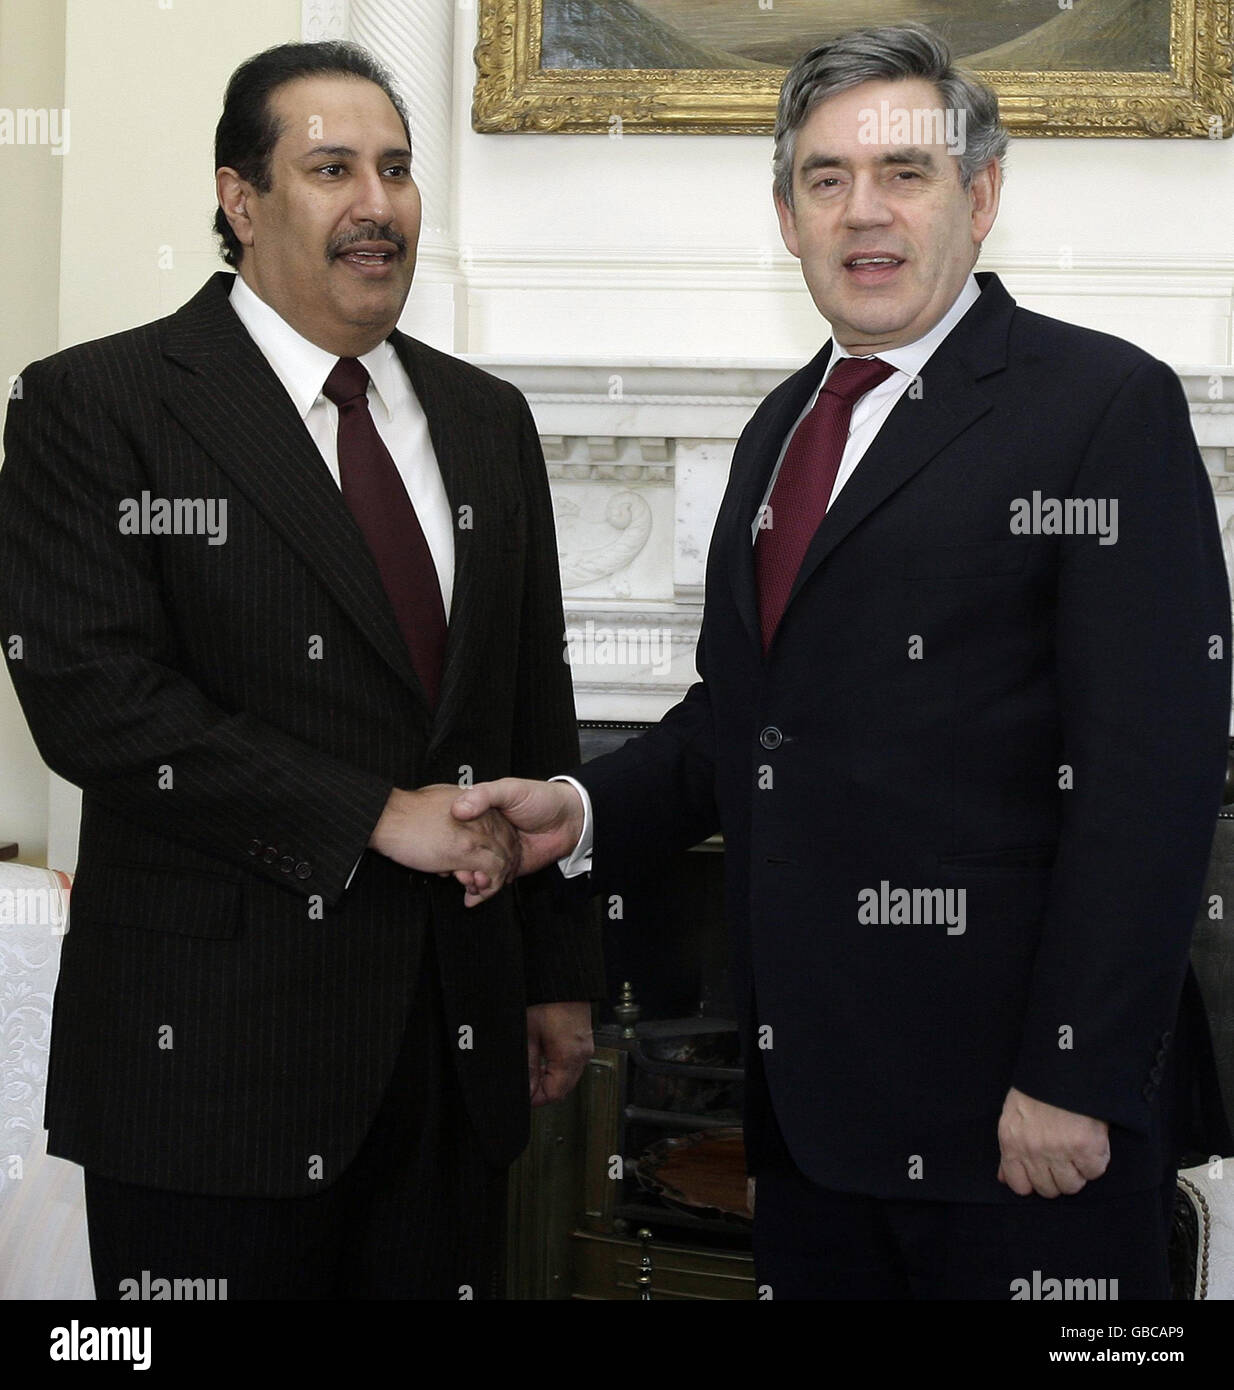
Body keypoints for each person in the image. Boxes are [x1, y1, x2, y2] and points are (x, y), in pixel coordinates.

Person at [453, 24, 1231, 1299]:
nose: (862, 212)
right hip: (817, 1123)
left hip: (1020, 1125)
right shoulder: (783, 428)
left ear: (979, 197)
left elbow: (1151, 776)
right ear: (785, 214)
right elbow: (744, 723)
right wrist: (582, 807)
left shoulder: (1100, 407)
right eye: (825, 180)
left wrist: (1071, 1075)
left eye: (905, 174)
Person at [0, 40, 601, 1300]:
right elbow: (95, 701)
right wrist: (377, 817)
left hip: (452, 1053)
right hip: (212, 1071)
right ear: (240, 198)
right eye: (331, 168)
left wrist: (554, 978)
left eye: (394, 169)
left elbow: (530, 702)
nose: (375, 204)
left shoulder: (488, 420)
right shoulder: (94, 405)